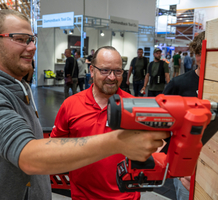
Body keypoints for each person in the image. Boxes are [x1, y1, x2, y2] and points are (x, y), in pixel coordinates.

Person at [0, 10, 169, 200]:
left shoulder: (18, 88)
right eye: (21, 39)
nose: (33, 47)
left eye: (32, 39)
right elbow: (28, 156)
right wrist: (118, 141)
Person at [52, 46, 150, 199]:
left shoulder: (134, 106)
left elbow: (152, 148)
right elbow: (55, 147)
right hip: (83, 196)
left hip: (126, 197)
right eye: (105, 70)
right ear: (92, 70)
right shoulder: (71, 105)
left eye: (118, 71)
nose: (112, 77)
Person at [163, 31, 205, 200]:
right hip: (186, 169)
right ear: (195, 55)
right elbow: (164, 123)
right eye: (200, 53)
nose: (203, 58)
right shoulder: (179, 84)